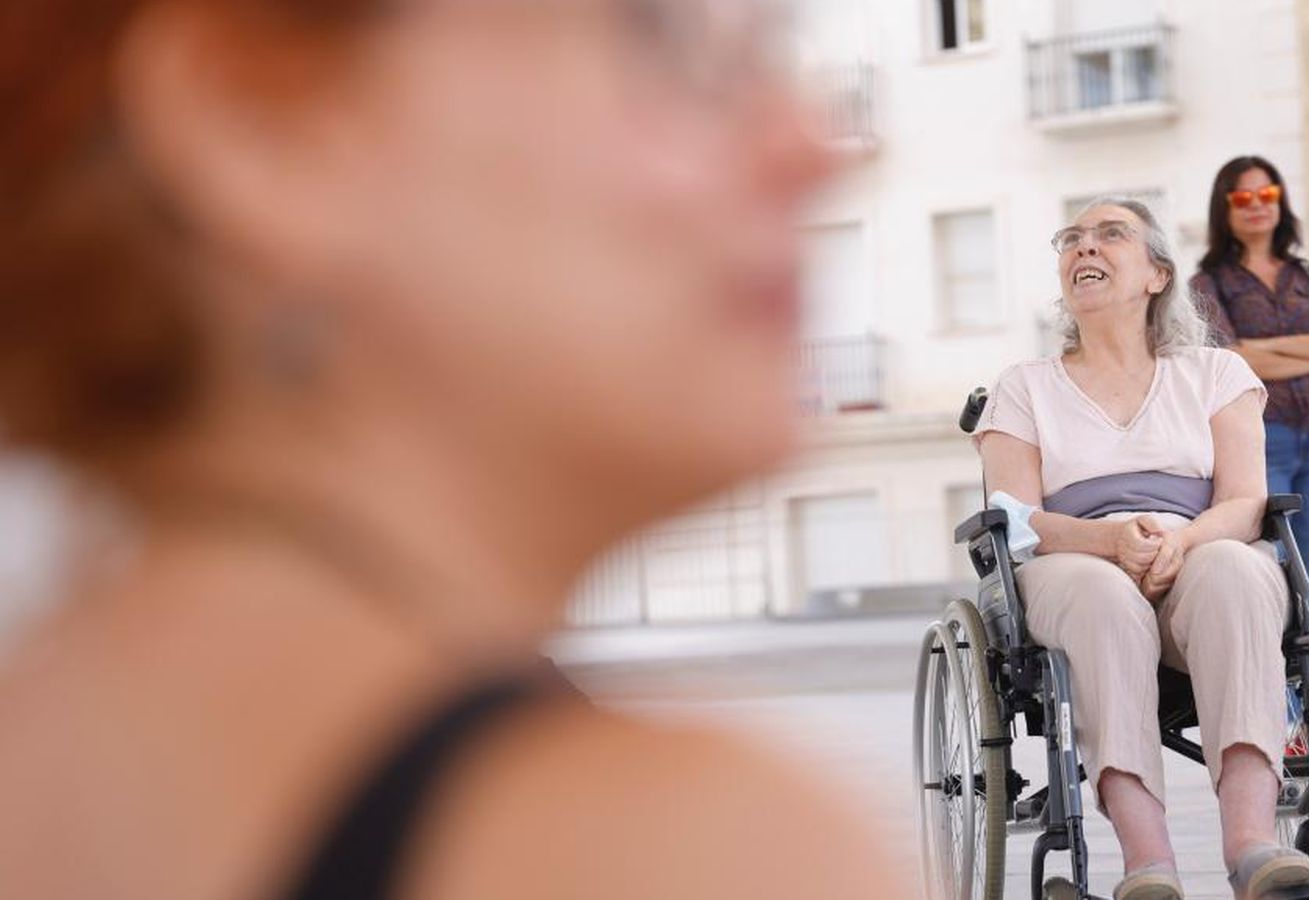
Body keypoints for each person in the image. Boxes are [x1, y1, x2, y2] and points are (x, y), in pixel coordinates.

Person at [0, 2, 906, 899]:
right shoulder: (670, 850)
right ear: (265, 121)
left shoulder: (48, 737)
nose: (810, 148)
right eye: (673, 37)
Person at [974, 198, 1309, 900]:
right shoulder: (1024, 386)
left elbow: (1246, 503)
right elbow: (1012, 516)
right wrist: (1105, 540)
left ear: (1157, 274)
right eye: (1070, 239)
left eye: (1109, 235)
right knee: (1104, 598)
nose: (1083, 248)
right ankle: (1148, 861)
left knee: (1236, 570)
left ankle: (1252, 843)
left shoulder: (1214, 375)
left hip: (1194, 547)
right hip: (1074, 562)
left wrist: (1182, 539)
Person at [1190, 156, 1309, 628]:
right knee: (1273, 571)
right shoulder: (1207, 285)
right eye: (1243, 197)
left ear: (1281, 202)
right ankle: (1279, 697)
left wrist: (1268, 347)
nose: (1256, 206)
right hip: (1259, 443)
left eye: (1266, 195)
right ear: (1224, 209)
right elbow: (1230, 359)